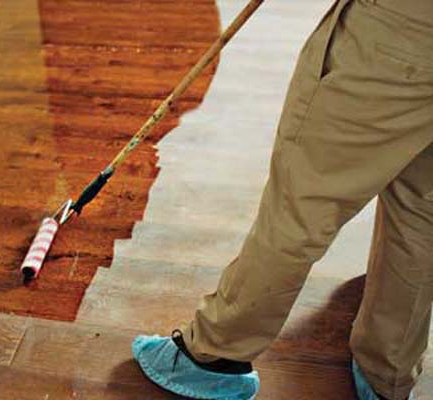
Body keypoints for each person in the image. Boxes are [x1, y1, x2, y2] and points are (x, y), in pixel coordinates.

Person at [131, 0, 433, 399]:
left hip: (400, 39)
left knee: (301, 205)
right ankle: (387, 372)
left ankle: (216, 356)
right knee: (420, 212)